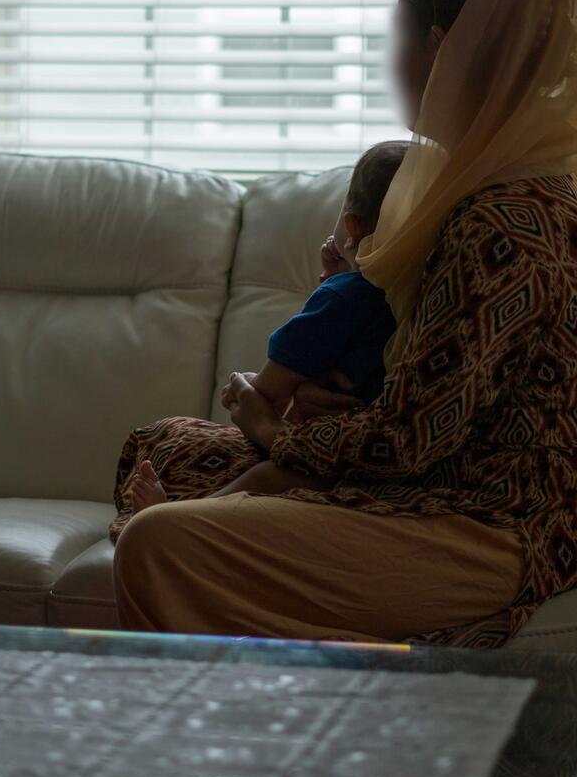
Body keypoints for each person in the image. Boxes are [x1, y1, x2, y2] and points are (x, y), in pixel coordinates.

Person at [111, 0, 577, 647]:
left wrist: (274, 431)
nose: (392, 61)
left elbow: (412, 439)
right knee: (163, 447)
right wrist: (335, 407)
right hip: (434, 480)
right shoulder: (495, 183)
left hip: (492, 525)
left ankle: (263, 705)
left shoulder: (506, 217)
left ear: (439, 48)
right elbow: (437, 392)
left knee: (158, 544)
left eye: (398, 36)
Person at [111, 141, 407, 540]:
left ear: (352, 227)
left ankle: (181, 525)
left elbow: (267, 393)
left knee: (267, 477)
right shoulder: (404, 293)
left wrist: (246, 387)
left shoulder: (342, 297)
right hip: (370, 458)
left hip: (330, 459)